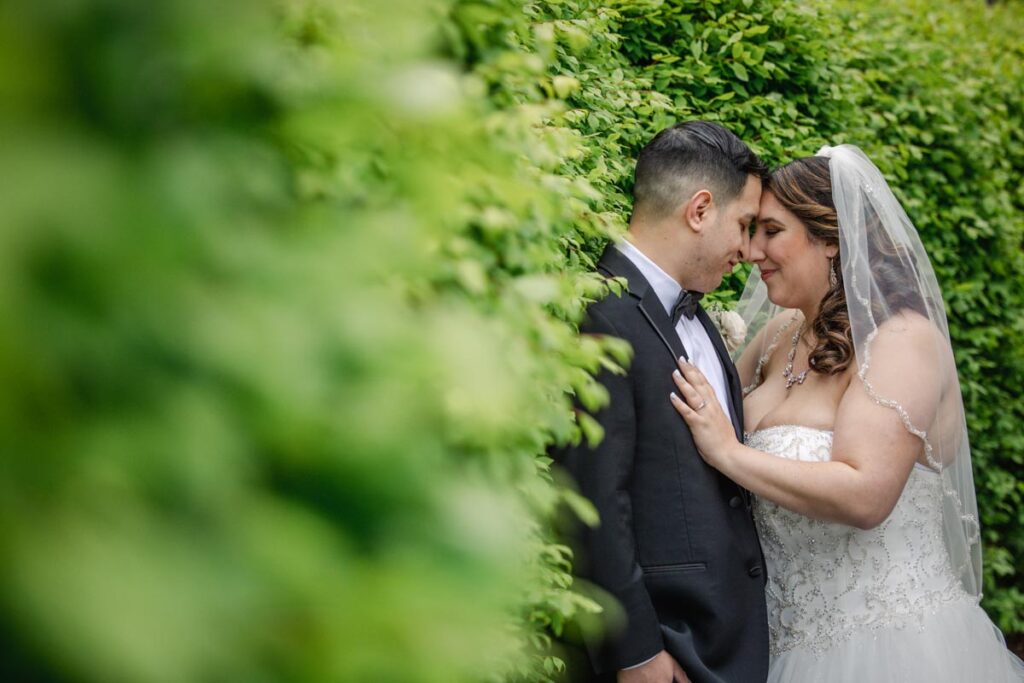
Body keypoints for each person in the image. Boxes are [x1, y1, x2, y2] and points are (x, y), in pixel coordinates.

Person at [669, 144, 1024, 681]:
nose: (751, 250)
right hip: (770, 644)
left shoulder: (902, 340)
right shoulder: (774, 336)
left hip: (889, 647)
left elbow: (866, 495)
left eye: (771, 231)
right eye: (751, 231)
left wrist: (729, 452)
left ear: (831, 238)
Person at [558, 121, 769, 683]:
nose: (748, 252)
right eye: (744, 226)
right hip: (665, 652)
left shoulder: (698, 317)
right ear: (700, 210)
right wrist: (634, 651)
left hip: (724, 640)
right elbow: (591, 497)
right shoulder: (601, 314)